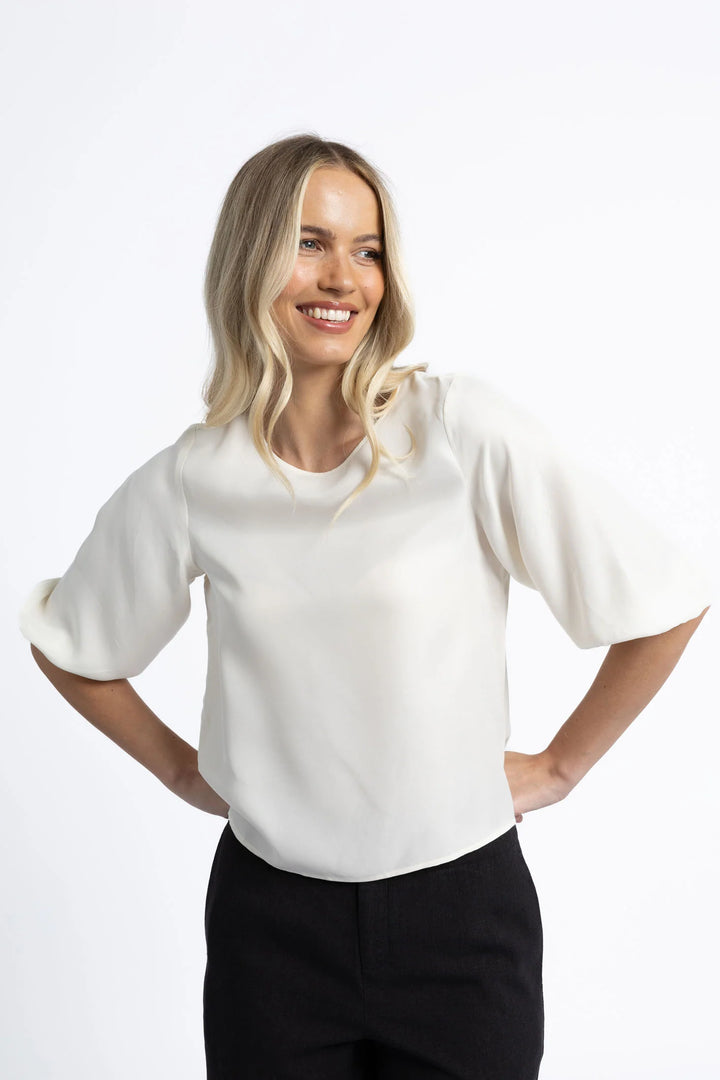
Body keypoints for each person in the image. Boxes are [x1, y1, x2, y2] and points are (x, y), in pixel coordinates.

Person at [18, 133, 712, 1080]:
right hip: (272, 932)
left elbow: (661, 601)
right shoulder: (195, 478)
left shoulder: (457, 430)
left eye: (367, 248)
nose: (342, 276)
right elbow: (72, 644)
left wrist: (558, 767)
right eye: (309, 242)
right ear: (252, 258)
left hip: (461, 922)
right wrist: (186, 772)